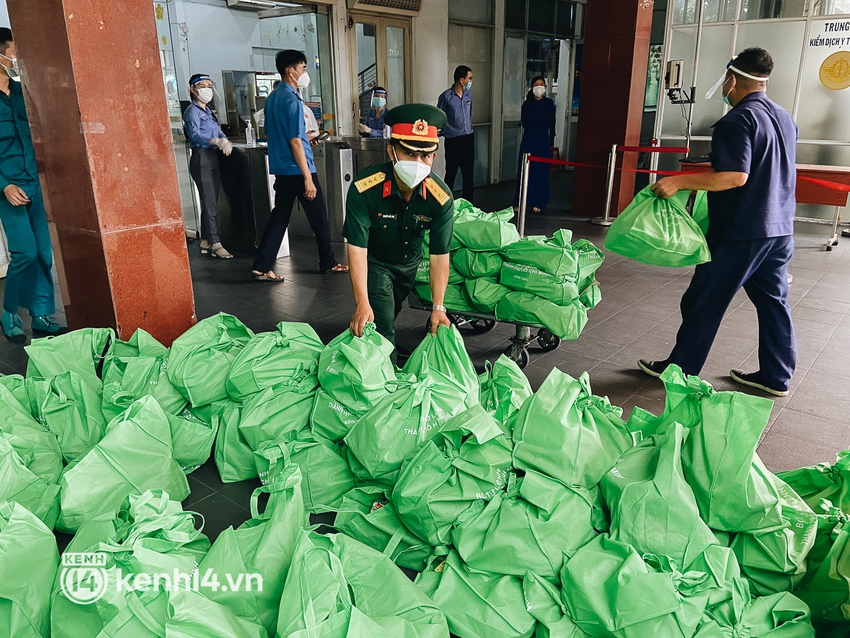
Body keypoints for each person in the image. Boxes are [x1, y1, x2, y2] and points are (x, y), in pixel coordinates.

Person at [639, 48, 797, 397]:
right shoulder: (785, 117)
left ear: (732, 78)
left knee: (702, 300)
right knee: (774, 304)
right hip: (780, 229)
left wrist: (677, 182)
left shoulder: (736, 121)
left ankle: (680, 371)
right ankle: (776, 376)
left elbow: (734, 177)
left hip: (741, 232)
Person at [344, 104, 453, 360]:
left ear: (434, 157)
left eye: (425, 156)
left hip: (410, 265)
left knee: (386, 315)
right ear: (392, 151)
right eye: (409, 153)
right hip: (378, 263)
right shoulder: (365, 189)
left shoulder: (440, 198)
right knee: (383, 327)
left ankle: (368, 353)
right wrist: (361, 302)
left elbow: (439, 256)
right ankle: (388, 385)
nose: (418, 162)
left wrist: (438, 307)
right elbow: (356, 248)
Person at [251, 50, 347, 282]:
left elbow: (289, 135)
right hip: (299, 169)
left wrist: (306, 139)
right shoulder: (291, 99)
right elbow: (294, 140)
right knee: (320, 219)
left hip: (282, 169)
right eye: (303, 68)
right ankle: (328, 262)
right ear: (290, 71)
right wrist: (307, 178)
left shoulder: (273, 97)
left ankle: (262, 265)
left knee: (280, 217)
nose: (305, 73)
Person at [0, 28, 67, 342]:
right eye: (14, 51)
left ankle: (41, 316)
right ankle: (9, 311)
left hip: (35, 183)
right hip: (8, 188)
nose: (17, 58)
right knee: (24, 252)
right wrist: (3, 186)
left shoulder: (22, 91)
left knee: (43, 253)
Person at [183, 73, 233, 259]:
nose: (207, 89)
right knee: (210, 203)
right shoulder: (192, 112)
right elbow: (194, 136)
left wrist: (224, 141)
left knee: (211, 202)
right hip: (202, 158)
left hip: (213, 158)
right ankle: (216, 243)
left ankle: (206, 240)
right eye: (202, 86)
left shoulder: (208, 112)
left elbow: (219, 132)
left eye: (208, 85)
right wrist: (214, 141)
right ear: (193, 90)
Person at [514, 76, 556, 213]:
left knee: (540, 171)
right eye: (537, 84)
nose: (539, 87)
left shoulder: (549, 104)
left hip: (542, 139)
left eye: (542, 84)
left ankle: (539, 201)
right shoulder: (527, 104)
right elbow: (524, 121)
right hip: (528, 139)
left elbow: (551, 123)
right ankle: (521, 201)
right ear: (532, 87)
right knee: (524, 170)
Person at [438, 65, 475, 204]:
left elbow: (469, 115)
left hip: (468, 138)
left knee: (468, 174)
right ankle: (446, 204)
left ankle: (469, 204)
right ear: (461, 80)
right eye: (469, 78)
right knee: (451, 173)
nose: (471, 81)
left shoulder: (468, 95)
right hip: (453, 140)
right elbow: (439, 117)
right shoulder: (446, 96)